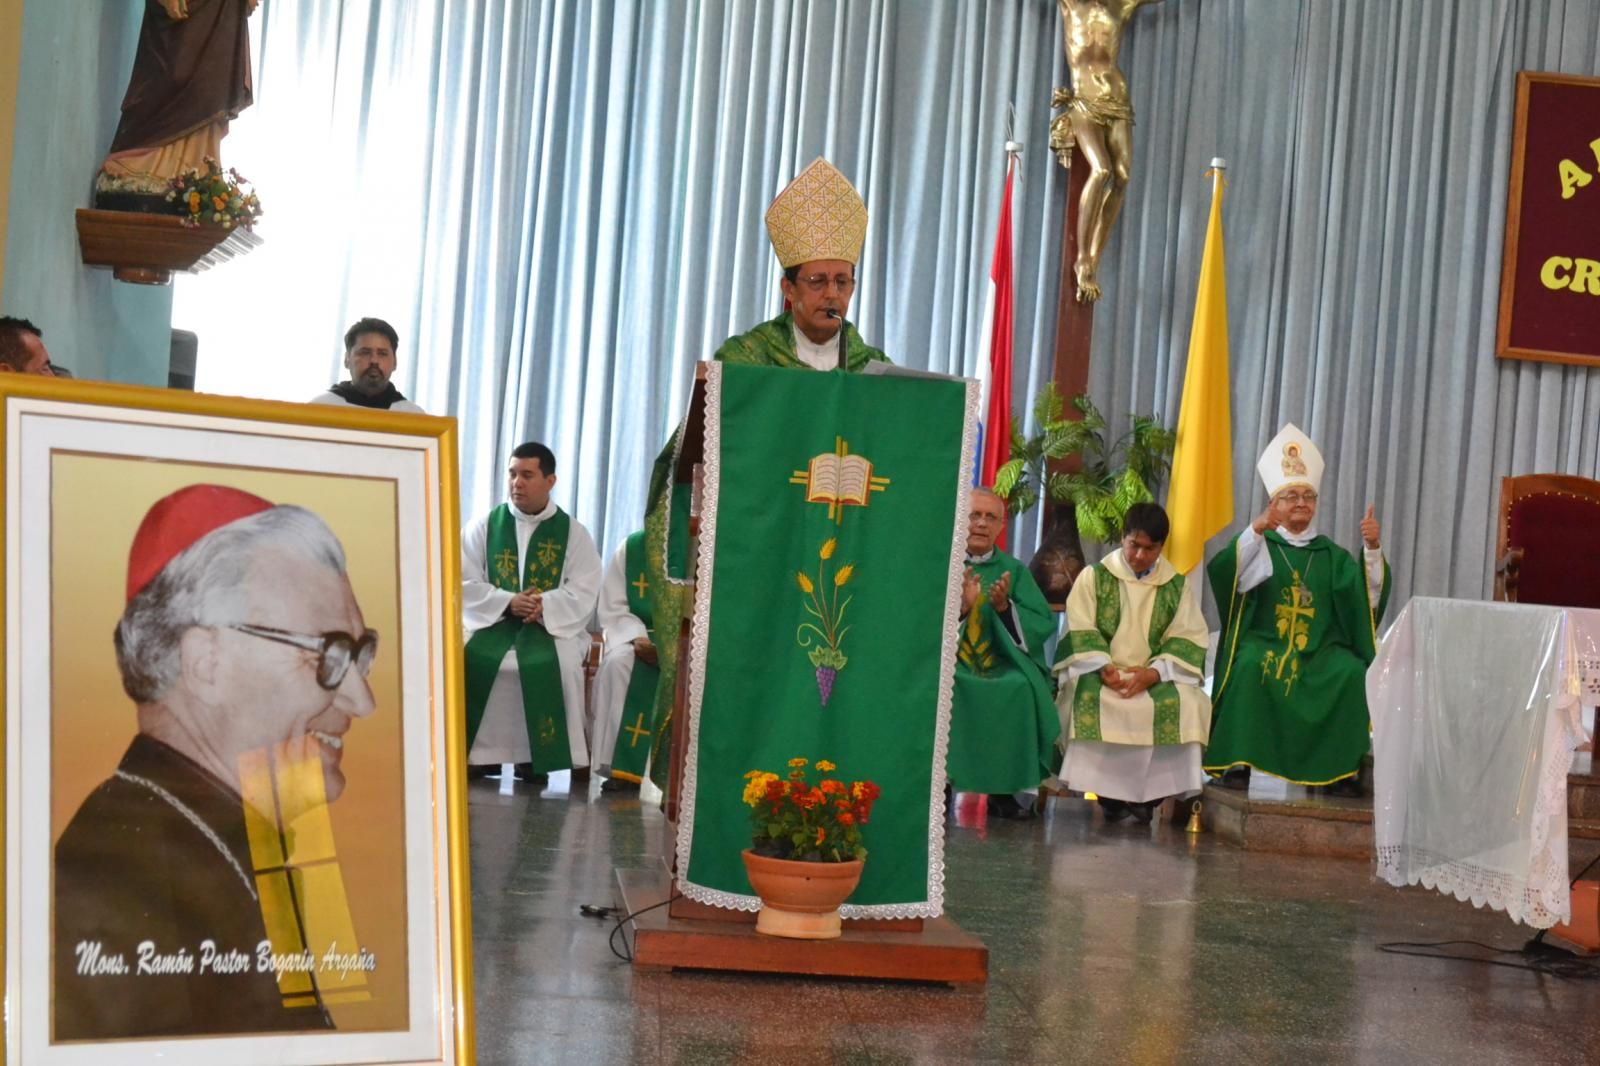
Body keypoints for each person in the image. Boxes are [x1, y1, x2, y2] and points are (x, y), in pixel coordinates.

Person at [54, 484, 376, 1039]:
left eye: (359, 653)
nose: (362, 701)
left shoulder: (233, 832)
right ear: (206, 662)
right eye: (327, 654)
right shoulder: (114, 892)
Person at [639, 157, 890, 789]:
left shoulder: (874, 370)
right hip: (759, 551)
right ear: (788, 288)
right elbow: (697, 451)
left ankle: (831, 783)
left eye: (843, 282)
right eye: (818, 282)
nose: (832, 296)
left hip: (841, 553)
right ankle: (727, 786)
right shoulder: (744, 359)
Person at [1206, 424, 1390, 794]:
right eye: (1291, 496)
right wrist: (1256, 530)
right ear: (1273, 503)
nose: (1301, 503)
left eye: (1308, 496)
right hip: (1266, 643)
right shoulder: (1261, 544)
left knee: (1351, 671)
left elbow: (1365, 600)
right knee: (1249, 663)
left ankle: (1340, 771)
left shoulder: (1332, 556)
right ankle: (1238, 761)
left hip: (1321, 652)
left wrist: (1372, 549)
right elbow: (1228, 575)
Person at [1055, 502, 1211, 823]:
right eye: (1133, 545)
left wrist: (1154, 673)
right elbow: (1079, 627)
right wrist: (1104, 667)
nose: (1139, 555)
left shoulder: (1176, 586)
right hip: (1101, 671)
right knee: (1087, 696)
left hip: (1154, 675)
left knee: (1189, 703)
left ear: (1161, 546)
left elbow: (1188, 637)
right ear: (1122, 538)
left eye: (1149, 549)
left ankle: (1150, 797)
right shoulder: (1095, 577)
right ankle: (1109, 795)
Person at [462, 442, 601, 779]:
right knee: (468, 657)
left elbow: (584, 589)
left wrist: (543, 605)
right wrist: (506, 601)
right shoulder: (485, 526)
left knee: (560, 664)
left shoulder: (574, 533)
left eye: (527, 475)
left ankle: (537, 758)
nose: (516, 483)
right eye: (512, 474)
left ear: (550, 481)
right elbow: (461, 580)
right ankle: (480, 755)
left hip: (549, 626)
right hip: (493, 621)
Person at [946, 488, 1061, 819]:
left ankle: (1007, 791)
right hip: (951, 663)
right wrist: (961, 608)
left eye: (990, 517)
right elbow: (917, 620)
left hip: (1002, 662)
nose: (981, 523)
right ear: (960, 518)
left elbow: (1040, 622)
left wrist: (1005, 608)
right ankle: (941, 784)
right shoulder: (941, 563)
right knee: (947, 686)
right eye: (974, 515)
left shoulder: (1014, 570)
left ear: (1001, 525)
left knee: (1021, 688)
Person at [1051, 0, 1167, 302]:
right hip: (1084, 102)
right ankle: (1082, 259)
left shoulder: (1122, 5)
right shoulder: (1071, 4)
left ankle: (1093, 258)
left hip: (1118, 101)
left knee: (1123, 176)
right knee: (1101, 169)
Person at [94, 0, 260, 209]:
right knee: (173, 74)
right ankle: (144, 162)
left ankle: (198, 166)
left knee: (210, 85)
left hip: (221, 8)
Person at [589, 531, 659, 793]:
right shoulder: (634, 547)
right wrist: (636, 637)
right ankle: (619, 767)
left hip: (692, 642)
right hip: (640, 635)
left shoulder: (708, 547)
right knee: (619, 663)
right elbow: (614, 607)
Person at [310, 317, 426, 413]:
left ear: (395, 362)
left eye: (382, 353)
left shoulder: (415, 417)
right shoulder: (318, 409)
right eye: (365, 353)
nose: (374, 360)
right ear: (347, 359)